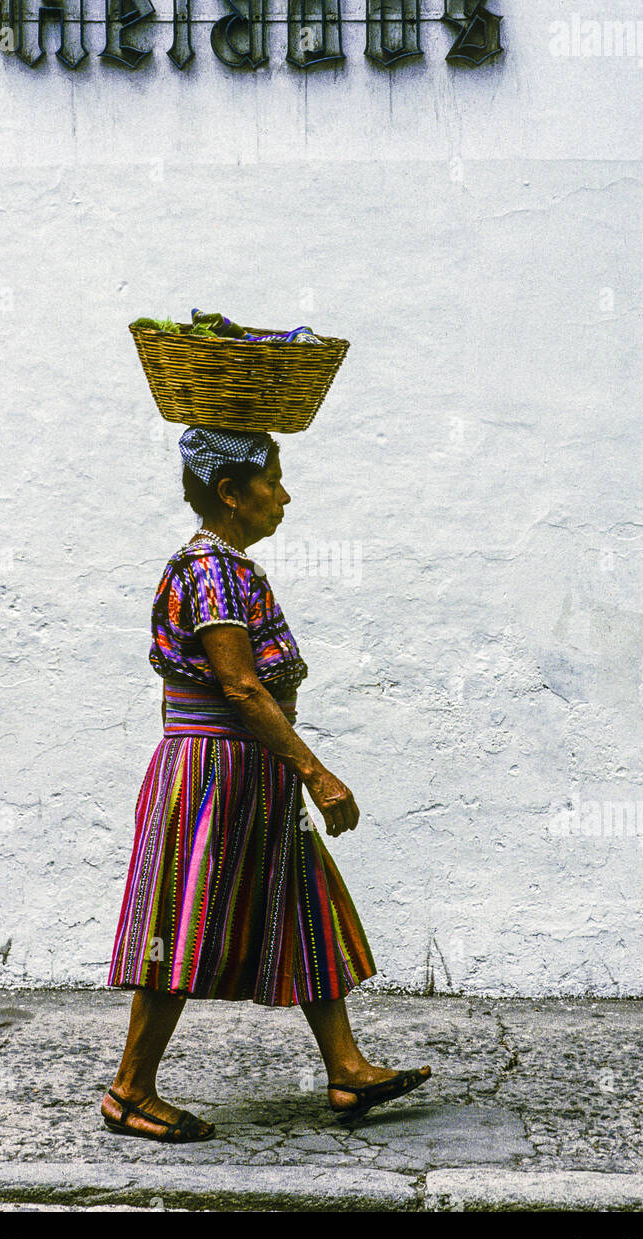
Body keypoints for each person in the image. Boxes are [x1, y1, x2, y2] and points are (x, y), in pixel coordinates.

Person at [103, 425, 431, 1141]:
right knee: (181, 919)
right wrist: (316, 772)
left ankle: (345, 1067)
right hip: (212, 772)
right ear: (230, 492)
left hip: (249, 772)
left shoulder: (225, 566)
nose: (284, 495)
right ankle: (129, 1090)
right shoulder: (212, 569)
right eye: (272, 480)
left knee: (306, 902)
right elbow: (243, 689)